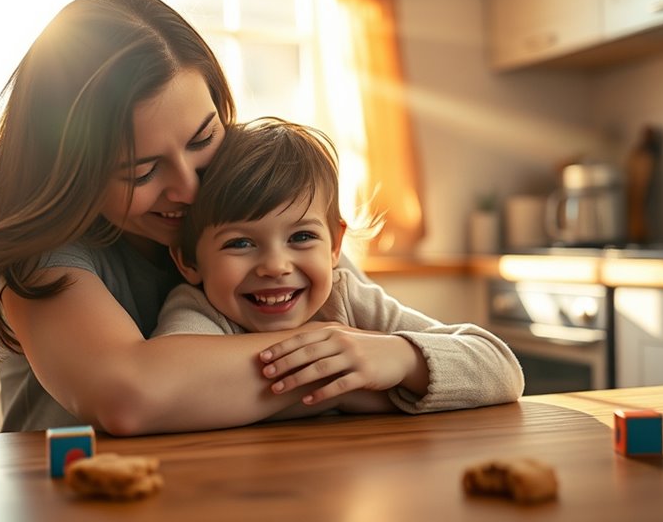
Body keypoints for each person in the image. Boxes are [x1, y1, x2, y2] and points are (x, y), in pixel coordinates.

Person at [0, 0, 516, 437]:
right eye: (141, 171)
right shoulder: (41, 256)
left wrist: (391, 356)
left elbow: (416, 346)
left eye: (201, 138)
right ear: (72, 170)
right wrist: (348, 370)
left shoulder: (262, 219)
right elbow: (132, 397)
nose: (188, 188)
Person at [152, 118, 524, 418]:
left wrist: (403, 357)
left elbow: (503, 368)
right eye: (241, 243)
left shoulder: (346, 296)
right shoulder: (196, 310)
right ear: (188, 262)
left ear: (335, 245)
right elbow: (168, 393)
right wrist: (348, 394)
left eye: (300, 238)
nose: (276, 266)